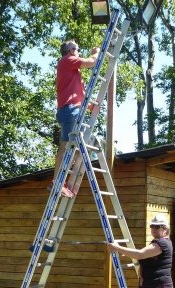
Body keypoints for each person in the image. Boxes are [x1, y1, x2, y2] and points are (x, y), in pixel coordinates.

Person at [52, 40, 100, 197]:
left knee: (74, 146)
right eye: (77, 49)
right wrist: (96, 52)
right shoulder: (67, 60)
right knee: (66, 146)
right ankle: (57, 183)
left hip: (71, 110)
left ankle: (61, 182)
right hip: (70, 111)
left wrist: (91, 106)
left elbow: (78, 94)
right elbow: (91, 62)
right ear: (71, 50)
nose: (79, 51)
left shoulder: (73, 72)